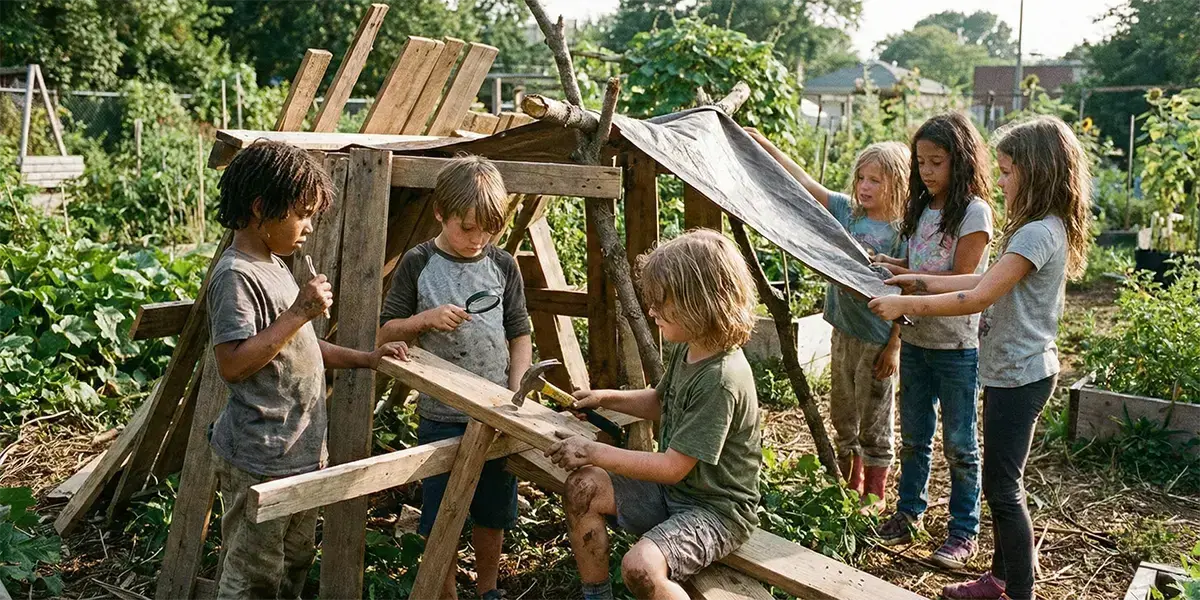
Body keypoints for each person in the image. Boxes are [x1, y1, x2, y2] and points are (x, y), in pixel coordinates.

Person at [870, 116, 1092, 600]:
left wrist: (907, 303)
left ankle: (1018, 591)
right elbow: (975, 281)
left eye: (1009, 170)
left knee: (1003, 490)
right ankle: (1000, 578)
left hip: (1019, 375)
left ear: (1037, 171)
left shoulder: (1036, 234)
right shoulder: (1041, 227)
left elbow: (976, 299)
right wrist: (914, 280)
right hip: (1014, 371)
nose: (1003, 180)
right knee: (1003, 483)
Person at [207, 140, 408, 600]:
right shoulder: (236, 275)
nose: (310, 227)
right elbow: (233, 364)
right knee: (253, 577)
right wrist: (299, 310)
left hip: (298, 456)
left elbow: (298, 347)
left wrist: (366, 359)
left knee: (293, 568)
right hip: (259, 460)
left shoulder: (275, 265)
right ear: (260, 209)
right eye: (302, 213)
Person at [546, 229, 761, 600]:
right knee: (583, 487)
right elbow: (662, 401)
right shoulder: (693, 345)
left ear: (699, 303)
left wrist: (594, 451)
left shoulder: (721, 380)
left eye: (662, 302)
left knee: (641, 569)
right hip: (673, 494)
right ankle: (596, 595)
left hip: (716, 511)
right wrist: (604, 398)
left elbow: (671, 467)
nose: (652, 311)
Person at [378, 154, 532, 600]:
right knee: (442, 513)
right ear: (440, 213)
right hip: (442, 413)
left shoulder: (502, 264)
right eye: (467, 227)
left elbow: (519, 333)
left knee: (493, 511)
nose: (478, 238)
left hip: (495, 412)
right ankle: (446, 594)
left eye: (489, 229)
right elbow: (387, 330)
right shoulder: (419, 262)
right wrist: (424, 320)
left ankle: (488, 590)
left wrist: (515, 389)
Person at [746, 128, 908, 511]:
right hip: (843, 331)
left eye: (875, 181)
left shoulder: (902, 234)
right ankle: (849, 487)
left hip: (877, 338)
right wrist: (767, 145)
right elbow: (804, 183)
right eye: (861, 179)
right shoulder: (846, 215)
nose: (865, 187)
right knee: (843, 412)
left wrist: (895, 345)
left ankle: (875, 495)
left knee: (874, 418)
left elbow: (911, 292)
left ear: (897, 183)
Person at [872, 112, 995, 569]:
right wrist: (889, 262)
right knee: (914, 437)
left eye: (936, 162)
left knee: (961, 444)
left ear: (959, 162)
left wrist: (905, 277)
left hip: (957, 347)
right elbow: (913, 266)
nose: (926, 171)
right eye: (920, 162)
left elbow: (964, 281)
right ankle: (909, 512)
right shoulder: (922, 207)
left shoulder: (974, 212)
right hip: (917, 339)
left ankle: (964, 531)